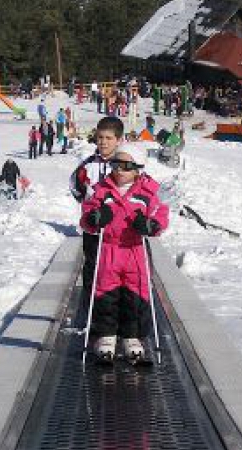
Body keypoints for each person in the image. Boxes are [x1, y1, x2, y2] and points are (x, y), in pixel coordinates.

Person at [81, 144, 169, 362]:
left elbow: (160, 213)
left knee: (136, 292)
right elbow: (87, 213)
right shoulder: (101, 189)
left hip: (134, 249)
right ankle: (106, 335)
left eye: (126, 166)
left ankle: (132, 336)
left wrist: (151, 225)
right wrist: (95, 218)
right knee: (105, 293)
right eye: (115, 164)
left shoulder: (147, 192)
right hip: (109, 248)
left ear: (138, 168)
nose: (119, 170)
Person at [71, 116, 124, 302]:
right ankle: (90, 301)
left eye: (109, 138)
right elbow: (75, 186)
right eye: (100, 137)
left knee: (118, 267)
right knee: (93, 265)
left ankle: (116, 305)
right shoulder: (87, 165)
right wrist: (88, 208)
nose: (103, 142)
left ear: (119, 140)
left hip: (119, 229)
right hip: (94, 228)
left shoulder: (125, 165)